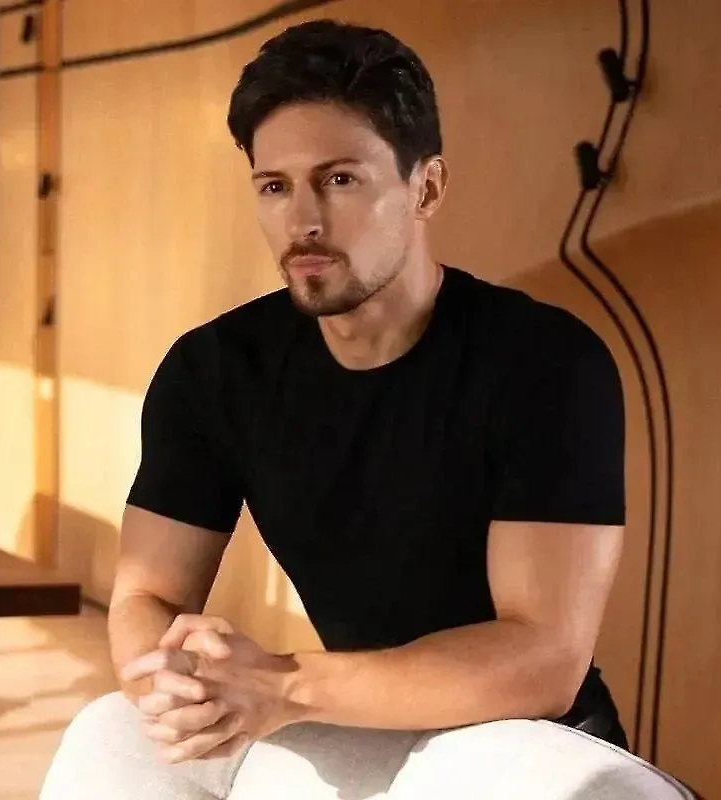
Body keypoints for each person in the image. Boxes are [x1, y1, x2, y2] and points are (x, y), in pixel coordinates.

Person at [41, 18, 627, 799]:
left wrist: (284, 685)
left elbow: (543, 660)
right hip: (362, 724)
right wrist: (173, 682)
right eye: (275, 187)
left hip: (528, 747)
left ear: (426, 188)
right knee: (112, 732)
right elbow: (148, 597)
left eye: (340, 180)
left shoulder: (545, 362)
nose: (303, 220)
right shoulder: (215, 371)